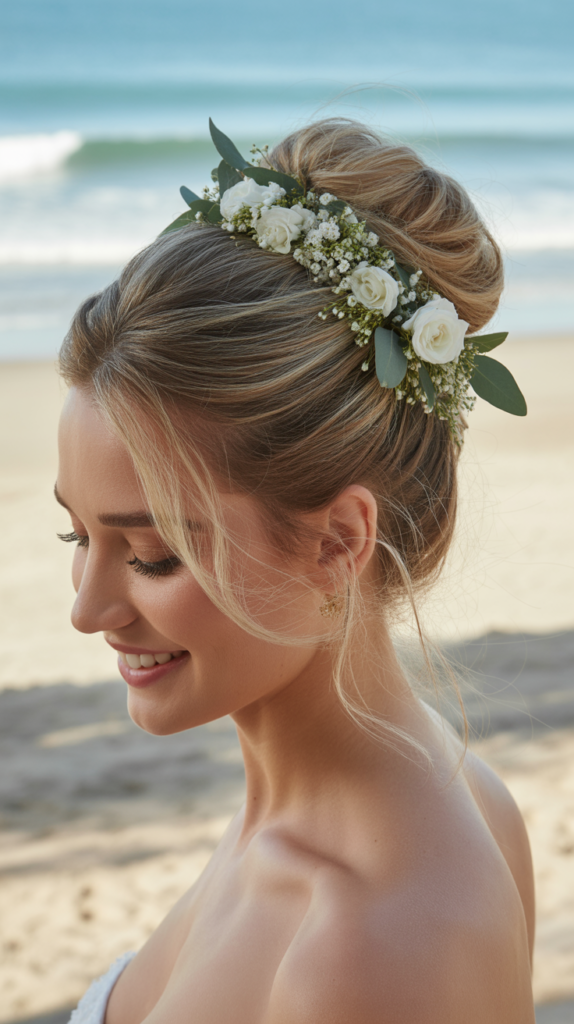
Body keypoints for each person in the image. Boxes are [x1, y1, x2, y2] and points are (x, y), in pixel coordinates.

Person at [57, 118, 535, 1023]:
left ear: (339, 541)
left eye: (154, 555)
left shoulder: (369, 953)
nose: (87, 610)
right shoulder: (434, 793)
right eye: (75, 536)